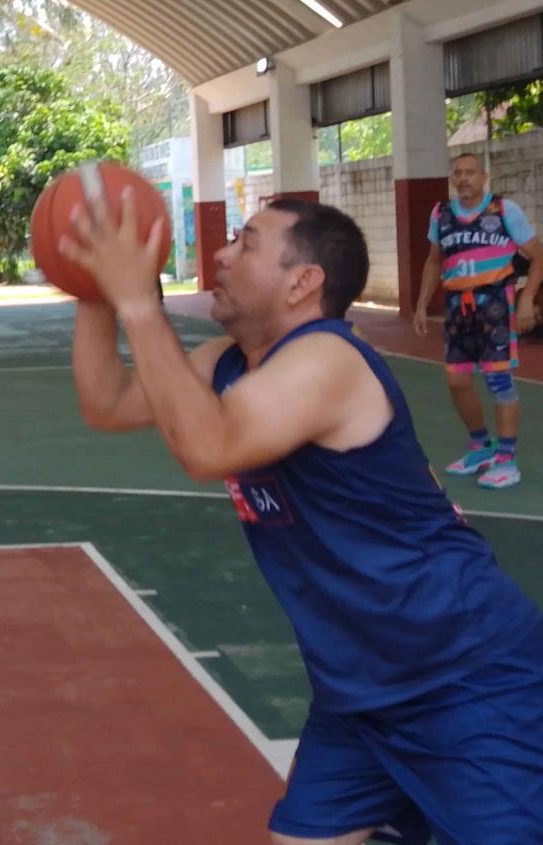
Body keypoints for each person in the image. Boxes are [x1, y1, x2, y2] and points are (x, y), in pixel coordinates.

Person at [63, 192, 543, 844]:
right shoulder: (225, 364)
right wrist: (91, 286)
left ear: (302, 281)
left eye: (247, 242)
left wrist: (140, 304)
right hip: (358, 691)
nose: (222, 253)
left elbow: (207, 448)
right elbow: (108, 403)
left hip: (460, 675)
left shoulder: (327, 359)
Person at [414, 152, 543, 489]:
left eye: (470, 172)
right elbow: (433, 261)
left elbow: (537, 255)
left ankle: (506, 459)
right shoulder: (440, 214)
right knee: (457, 380)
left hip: (496, 304)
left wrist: (527, 298)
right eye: (457, 173)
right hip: (458, 307)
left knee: (498, 380)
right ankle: (480, 447)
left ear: (483, 177)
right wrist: (422, 304)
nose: (463, 178)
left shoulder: (503, 210)